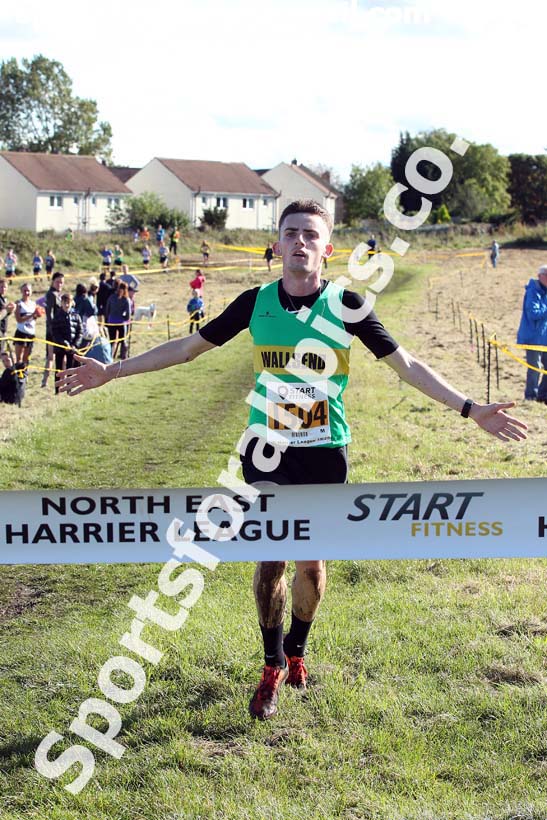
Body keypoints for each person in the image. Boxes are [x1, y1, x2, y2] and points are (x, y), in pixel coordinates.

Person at [58, 199, 528, 722]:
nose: (299, 242)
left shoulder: (347, 305)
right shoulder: (254, 303)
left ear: (327, 249)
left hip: (326, 455)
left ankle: (298, 649)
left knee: (313, 566)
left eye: (310, 234)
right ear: (277, 245)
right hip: (268, 451)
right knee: (270, 559)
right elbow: (188, 348)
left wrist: (470, 408)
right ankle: (271, 664)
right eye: (290, 233)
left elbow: (406, 365)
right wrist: (112, 371)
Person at [516, 264, 547, 402]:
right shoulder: (533, 291)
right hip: (532, 337)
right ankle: (530, 396)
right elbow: (533, 314)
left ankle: (542, 395)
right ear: (540, 276)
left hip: (544, 336)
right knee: (534, 368)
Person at [52, 294, 83, 393]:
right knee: (59, 368)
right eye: (64, 302)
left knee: (70, 368)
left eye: (68, 302)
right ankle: (57, 389)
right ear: (61, 303)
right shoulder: (57, 316)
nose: (66, 304)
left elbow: (80, 332)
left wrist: (75, 345)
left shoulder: (76, 316)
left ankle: (69, 388)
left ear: (71, 303)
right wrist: (64, 344)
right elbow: (55, 332)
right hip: (60, 346)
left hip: (72, 347)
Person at [42, 272, 65, 387]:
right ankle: (45, 382)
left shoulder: (58, 294)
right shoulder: (51, 294)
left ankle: (47, 381)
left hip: (59, 330)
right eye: (58, 282)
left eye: (62, 282)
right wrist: (52, 329)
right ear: (52, 281)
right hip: (53, 331)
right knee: (52, 357)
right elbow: (49, 313)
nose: (60, 284)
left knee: (56, 357)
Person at [14, 282, 39, 368]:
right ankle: (17, 377)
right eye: (25, 290)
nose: (26, 293)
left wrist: (37, 315)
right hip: (21, 332)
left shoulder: (33, 304)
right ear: (21, 291)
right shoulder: (18, 303)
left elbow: (34, 318)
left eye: (28, 291)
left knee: (26, 357)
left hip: (31, 333)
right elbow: (19, 319)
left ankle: (24, 376)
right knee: (18, 358)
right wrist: (32, 315)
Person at [105, 281, 131, 360]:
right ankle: (123, 357)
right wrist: (125, 319)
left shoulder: (111, 297)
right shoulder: (126, 299)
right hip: (121, 322)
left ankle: (109, 356)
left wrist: (108, 318)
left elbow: (107, 309)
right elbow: (128, 313)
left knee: (111, 341)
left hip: (111, 321)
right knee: (123, 340)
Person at [0, 278, 15, 353]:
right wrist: (6, 310)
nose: (3, 289)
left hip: (3, 330)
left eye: (5, 287)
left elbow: (3, 315)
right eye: (1, 286)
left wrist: (10, 311)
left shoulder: (3, 299)